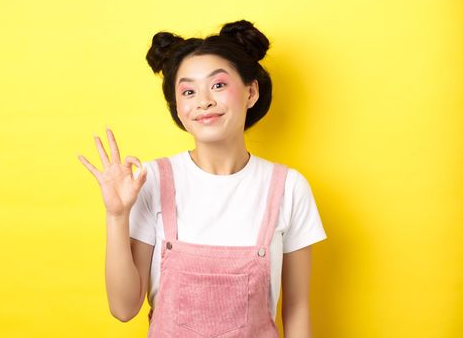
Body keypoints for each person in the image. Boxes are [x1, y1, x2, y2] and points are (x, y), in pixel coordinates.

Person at [78, 20, 327, 338]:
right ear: (178, 107)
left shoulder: (289, 187)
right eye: (188, 91)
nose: (204, 100)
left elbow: (297, 311)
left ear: (251, 92)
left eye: (219, 85)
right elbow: (124, 309)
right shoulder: (151, 180)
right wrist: (116, 216)